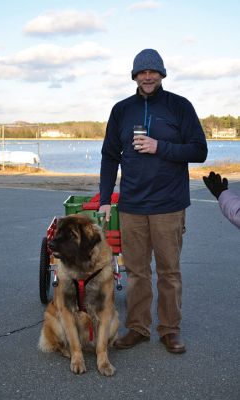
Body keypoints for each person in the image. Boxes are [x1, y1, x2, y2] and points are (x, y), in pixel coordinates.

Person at [99, 48, 208, 354]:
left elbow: (199, 150)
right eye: (141, 72)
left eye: (153, 71)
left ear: (161, 74)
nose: (147, 76)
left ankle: (170, 329)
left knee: (169, 272)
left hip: (169, 206)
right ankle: (137, 328)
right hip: (132, 205)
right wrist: (106, 198)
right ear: (134, 75)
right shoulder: (121, 110)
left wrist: (160, 146)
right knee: (136, 272)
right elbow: (109, 157)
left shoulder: (179, 107)